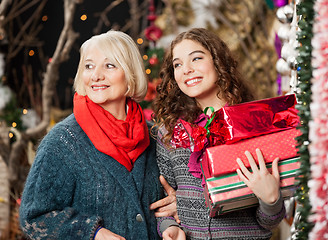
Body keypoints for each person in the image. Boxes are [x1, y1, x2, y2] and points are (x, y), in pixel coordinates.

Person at [19, 30, 174, 240]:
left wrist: (176, 209)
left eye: (109, 65)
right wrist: (93, 233)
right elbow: (34, 218)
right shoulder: (63, 141)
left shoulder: (155, 136)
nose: (96, 75)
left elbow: (170, 200)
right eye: (89, 66)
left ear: (131, 74)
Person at [152, 28, 286, 240]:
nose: (186, 69)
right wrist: (169, 227)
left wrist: (271, 200)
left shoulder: (254, 123)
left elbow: (270, 220)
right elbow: (163, 201)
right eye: (177, 64)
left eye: (196, 58)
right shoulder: (169, 133)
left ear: (218, 62)